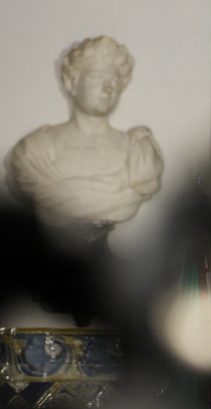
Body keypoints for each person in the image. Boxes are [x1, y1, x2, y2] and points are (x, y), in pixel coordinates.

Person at [8, 35, 163, 249]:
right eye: (96, 77)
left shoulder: (138, 151)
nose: (108, 87)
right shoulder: (35, 150)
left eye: (114, 80)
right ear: (72, 82)